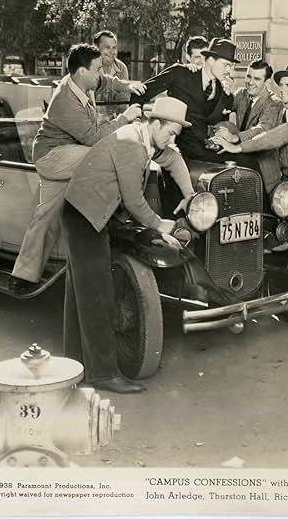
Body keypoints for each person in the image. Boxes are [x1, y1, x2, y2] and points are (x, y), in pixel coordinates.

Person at [61, 96, 193, 393]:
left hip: (85, 212)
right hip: (86, 216)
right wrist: (161, 225)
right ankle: (103, 374)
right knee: (99, 294)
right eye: (170, 132)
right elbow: (134, 200)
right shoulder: (132, 144)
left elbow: (172, 158)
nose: (172, 139)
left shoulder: (145, 139)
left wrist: (189, 194)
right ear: (155, 123)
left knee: (81, 295)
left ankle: (74, 366)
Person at [9, 44, 147, 292]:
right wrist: (125, 118)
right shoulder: (65, 101)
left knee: (46, 216)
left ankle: (23, 275)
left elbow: (107, 81)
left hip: (66, 156)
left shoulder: (84, 82)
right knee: (103, 159)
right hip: (53, 157)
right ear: (81, 71)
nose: (100, 74)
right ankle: (114, 218)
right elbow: (95, 139)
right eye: (96, 69)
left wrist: (128, 86)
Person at [211, 64, 288, 191]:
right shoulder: (243, 95)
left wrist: (237, 144)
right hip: (281, 174)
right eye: (281, 85)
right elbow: (222, 106)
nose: (282, 89)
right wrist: (221, 87)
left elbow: (269, 133)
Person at [142, 37, 236, 161]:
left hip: (210, 151)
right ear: (212, 60)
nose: (229, 71)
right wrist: (142, 132)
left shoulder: (225, 89)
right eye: (226, 65)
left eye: (231, 66)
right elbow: (141, 93)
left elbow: (221, 123)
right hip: (178, 149)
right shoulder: (180, 73)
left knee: (246, 164)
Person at [215, 59, 283, 145]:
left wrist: (235, 137)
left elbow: (262, 129)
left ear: (267, 82)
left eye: (257, 79)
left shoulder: (275, 103)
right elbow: (223, 108)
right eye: (248, 76)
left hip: (260, 155)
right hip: (238, 151)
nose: (250, 82)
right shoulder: (242, 94)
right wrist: (223, 89)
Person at [93, 30, 130, 120]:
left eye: (114, 48)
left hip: (113, 121)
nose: (112, 52)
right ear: (96, 48)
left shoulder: (121, 68)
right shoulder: (88, 67)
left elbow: (123, 103)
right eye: (107, 47)